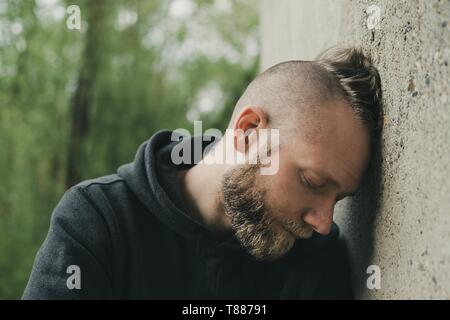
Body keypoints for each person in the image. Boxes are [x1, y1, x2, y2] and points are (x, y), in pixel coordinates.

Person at [23, 46, 382, 299]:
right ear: (249, 131)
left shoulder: (316, 258)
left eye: (339, 197)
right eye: (312, 181)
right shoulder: (98, 221)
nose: (323, 221)